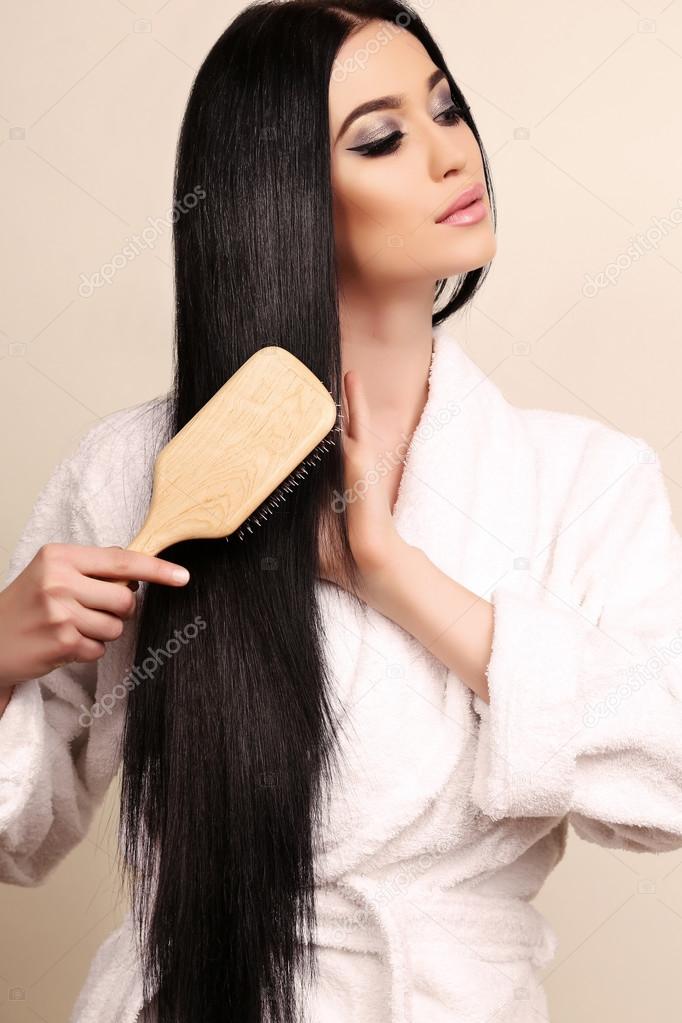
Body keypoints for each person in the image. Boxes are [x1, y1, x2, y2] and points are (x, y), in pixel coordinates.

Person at [1, 2, 681, 1022]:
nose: (453, 155)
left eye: (447, 110)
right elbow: (19, 839)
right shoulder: (139, 470)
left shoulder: (583, 477)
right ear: (282, 197)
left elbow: (667, 771)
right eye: (383, 137)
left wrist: (392, 574)